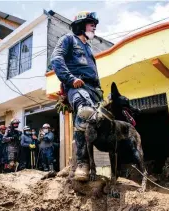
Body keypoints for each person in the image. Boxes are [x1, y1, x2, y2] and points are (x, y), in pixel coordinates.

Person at [51, 11, 103, 181]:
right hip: (76, 86)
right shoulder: (68, 39)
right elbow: (56, 59)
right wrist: (70, 78)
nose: (94, 26)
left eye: (95, 24)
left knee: (97, 124)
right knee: (84, 111)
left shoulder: (88, 47)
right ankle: (82, 163)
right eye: (90, 23)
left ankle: (88, 164)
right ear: (81, 25)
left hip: (94, 90)